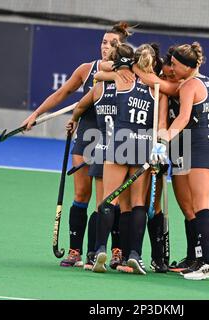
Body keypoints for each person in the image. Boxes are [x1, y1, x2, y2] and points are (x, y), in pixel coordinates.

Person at [21, 22, 132, 267]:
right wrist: (35, 115)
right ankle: (75, 251)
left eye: (112, 44)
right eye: (104, 42)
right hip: (88, 136)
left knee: (111, 199)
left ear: (121, 47)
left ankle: (112, 250)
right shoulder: (86, 69)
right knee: (82, 194)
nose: (106, 47)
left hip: (115, 138)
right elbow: (61, 94)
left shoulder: (128, 71)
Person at [139, 42, 209, 280]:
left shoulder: (189, 85)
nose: (172, 68)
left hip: (199, 147)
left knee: (200, 206)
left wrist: (164, 139)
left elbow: (182, 117)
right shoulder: (206, 81)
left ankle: (208, 263)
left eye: (175, 65)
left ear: (188, 66)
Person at [92, 43, 168, 275]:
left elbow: (96, 74)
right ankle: (135, 254)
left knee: (109, 199)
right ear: (154, 62)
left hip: (119, 142)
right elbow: (162, 126)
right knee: (138, 203)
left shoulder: (123, 78)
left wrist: (119, 68)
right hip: (144, 145)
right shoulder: (159, 88)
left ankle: (100, 250)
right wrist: (160, 146)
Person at [65, 42, 135, 270]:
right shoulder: (130, 85)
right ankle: (120, 253)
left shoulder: (100, 87)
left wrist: (74, 119)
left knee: (101, 204)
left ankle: (94, 253)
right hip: (124, 150)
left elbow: (79, 107)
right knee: (122, 205)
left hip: (102, 149)